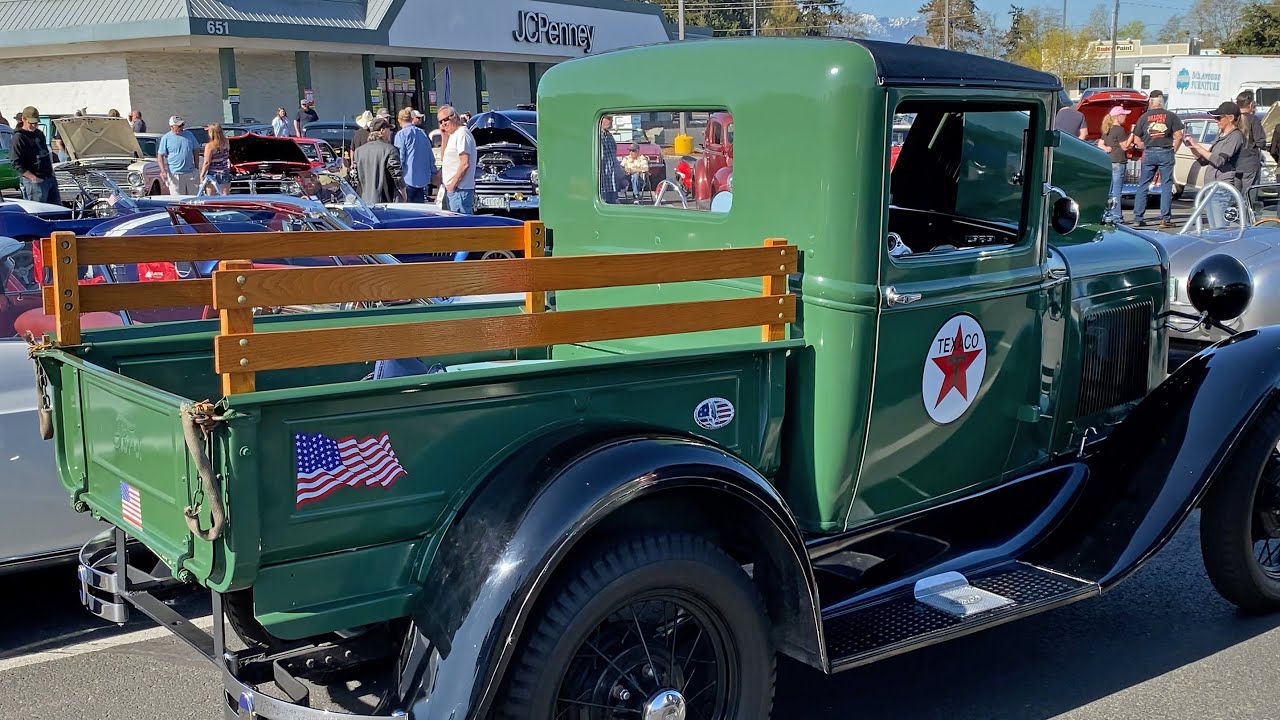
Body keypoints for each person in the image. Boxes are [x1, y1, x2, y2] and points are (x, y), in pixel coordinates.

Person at [1185, 101, 1245, 230]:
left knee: (1220, 229)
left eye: (1218, 118)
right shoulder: (1220, 136)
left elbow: (1219, 161)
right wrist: (1192, 147)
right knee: (1213, 229)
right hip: (1211, 187)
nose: (1215, 121)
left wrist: (1198, 146)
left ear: (1230, 118)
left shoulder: (1236, 136)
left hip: (1222, 189)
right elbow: (1204, 161)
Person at [1130, 90, 1184, 228]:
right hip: (1166, 151)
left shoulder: (1144, 117)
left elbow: (1136, 139)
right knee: (1166, 185)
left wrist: (1144, 146)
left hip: (1149, 152)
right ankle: (1165, 219)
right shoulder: (1171, 116)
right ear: (1162, 101)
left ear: (1151, 102)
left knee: (1143, 185)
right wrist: (1174, 150)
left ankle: (1138, 218)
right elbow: (1179, 136)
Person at [11, 107, 59, 204]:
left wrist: (52, 173)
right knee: (38, 213)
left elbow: (46, 154)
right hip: (35, 182)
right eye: (31, 123)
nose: (33, 126)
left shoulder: (39, 134)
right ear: (24, 119)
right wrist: (32, 178)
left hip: (49, 178)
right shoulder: (18, 137)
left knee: (58, 211)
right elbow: (15, 162)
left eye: (36, 123)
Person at [351, 117, 403, 205]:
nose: (390, 132)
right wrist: (403, 194)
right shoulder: (390, 149)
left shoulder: (359, 151)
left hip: (365, 201)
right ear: (382, 130)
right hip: (386, 201)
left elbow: (356, 178)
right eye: (388, 129)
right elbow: (397, 177)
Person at [1096, 106, 1134, 223]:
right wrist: (1132, 133)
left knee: (1109, 190)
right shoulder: (1120, 129)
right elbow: (1124, 146)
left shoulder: (1108, 129)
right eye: (1124, 115)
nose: (1126, 117)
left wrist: (1107, 148)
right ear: (1118, 116)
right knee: (1117, 191)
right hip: (1118, 161)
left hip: (1109, 161)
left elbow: (1100, 144)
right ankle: (1116, 216)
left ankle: (1106, 213)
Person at [437, 105, 476, 214]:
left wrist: (452, 186)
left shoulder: (462, 134)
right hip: (453, 190)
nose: (443, 123)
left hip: (460, 190)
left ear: (455, 117)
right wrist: (444, 136)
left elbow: (465, 164)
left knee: (461, 226)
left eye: (446, 119)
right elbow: (444, 158)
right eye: (440, 122)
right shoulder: (453, 135)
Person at [394, 107, 435, 203]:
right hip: (422, 180)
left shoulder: (401, 135)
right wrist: (433, 172)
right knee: (419, 210)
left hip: (407, 179)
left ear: (399, 120)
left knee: (407, 211)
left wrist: (397, 178)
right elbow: (430, 155)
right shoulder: (422, 133)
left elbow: (400, 158)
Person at [156, 115, 202, 195]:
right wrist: (163, 170)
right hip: (175, 174)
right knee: (177, 200)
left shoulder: (189, 134)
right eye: (179, 126)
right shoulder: (166, 138)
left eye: (182, 125)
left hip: (190, 173)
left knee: (193, 198)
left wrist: (196, 167)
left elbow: (196, 150)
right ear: (172, 126)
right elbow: (160, 155)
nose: (181, 127)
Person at [1234, 90, 1267, 193]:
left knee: (1235, 196)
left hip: (1233, 164)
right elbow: (1260, 142)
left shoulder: (1233, 118)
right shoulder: (1254, 120)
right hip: (1250, 164)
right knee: (1249, 196)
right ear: (1251, 104)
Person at [199, 123, 231, 195]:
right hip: (224, 172)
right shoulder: (226, 142)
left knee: (211, 197)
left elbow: (207, 162)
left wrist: (202, 175)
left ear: (211, 132)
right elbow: (227, 155)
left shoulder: (210, 146)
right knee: (225, 197)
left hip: (213, 174)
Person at [599, 115, 620, 204]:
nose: (611, 121)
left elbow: (613, 157)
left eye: (611, 119)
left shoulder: (609, 135)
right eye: (608, 119)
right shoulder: (597, 136)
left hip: (612, 179)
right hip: (603, 179)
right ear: (601, 120)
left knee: (613, 204)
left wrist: (621, 177)